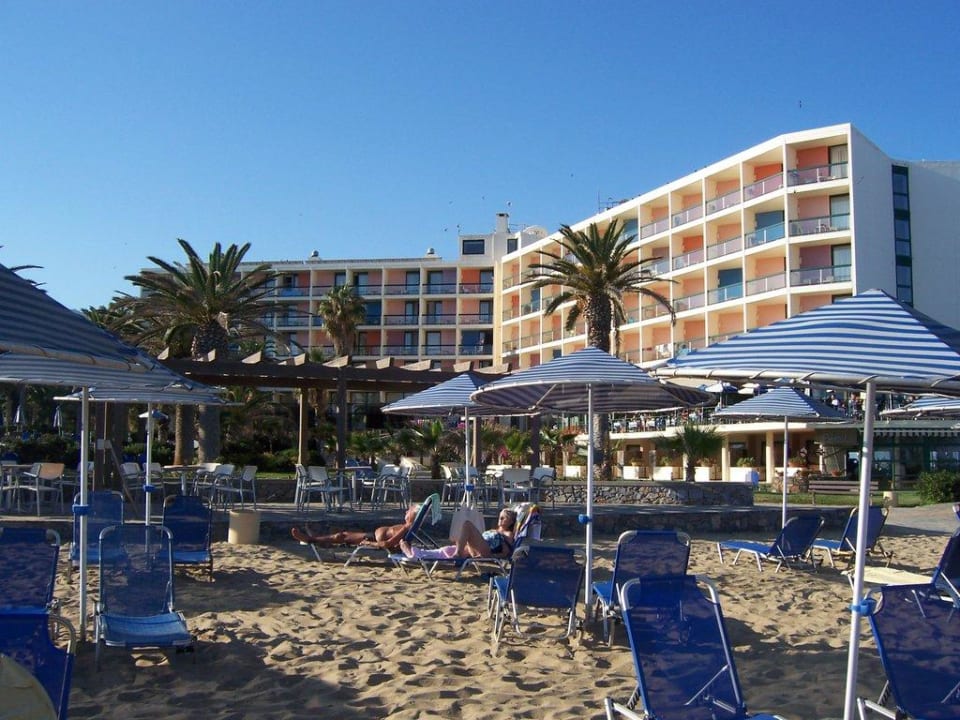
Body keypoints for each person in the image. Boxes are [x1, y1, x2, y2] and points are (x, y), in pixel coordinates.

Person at [399, 508, 517, 560]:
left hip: (485, 551)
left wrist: (490, 557)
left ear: (511, 521)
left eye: (504, 518)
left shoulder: (508, 534)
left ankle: (458, 553)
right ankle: (413, 553)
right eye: (500, 517)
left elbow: (505, 553)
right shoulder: (495, 530)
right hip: (474, 549)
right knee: (443, 552)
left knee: (467, 524)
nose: (500, 519)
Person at [291, 505, 418, 550]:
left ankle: (311, 539)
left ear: (412, 516)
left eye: (409, 510)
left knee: (341, 536)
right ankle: (316, 539)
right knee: (341, 534)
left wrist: (369, 543)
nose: (406, 510)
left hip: (372, 538)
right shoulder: (406, 527)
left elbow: (387, 544)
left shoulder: (405, 528)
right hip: (372, 534)